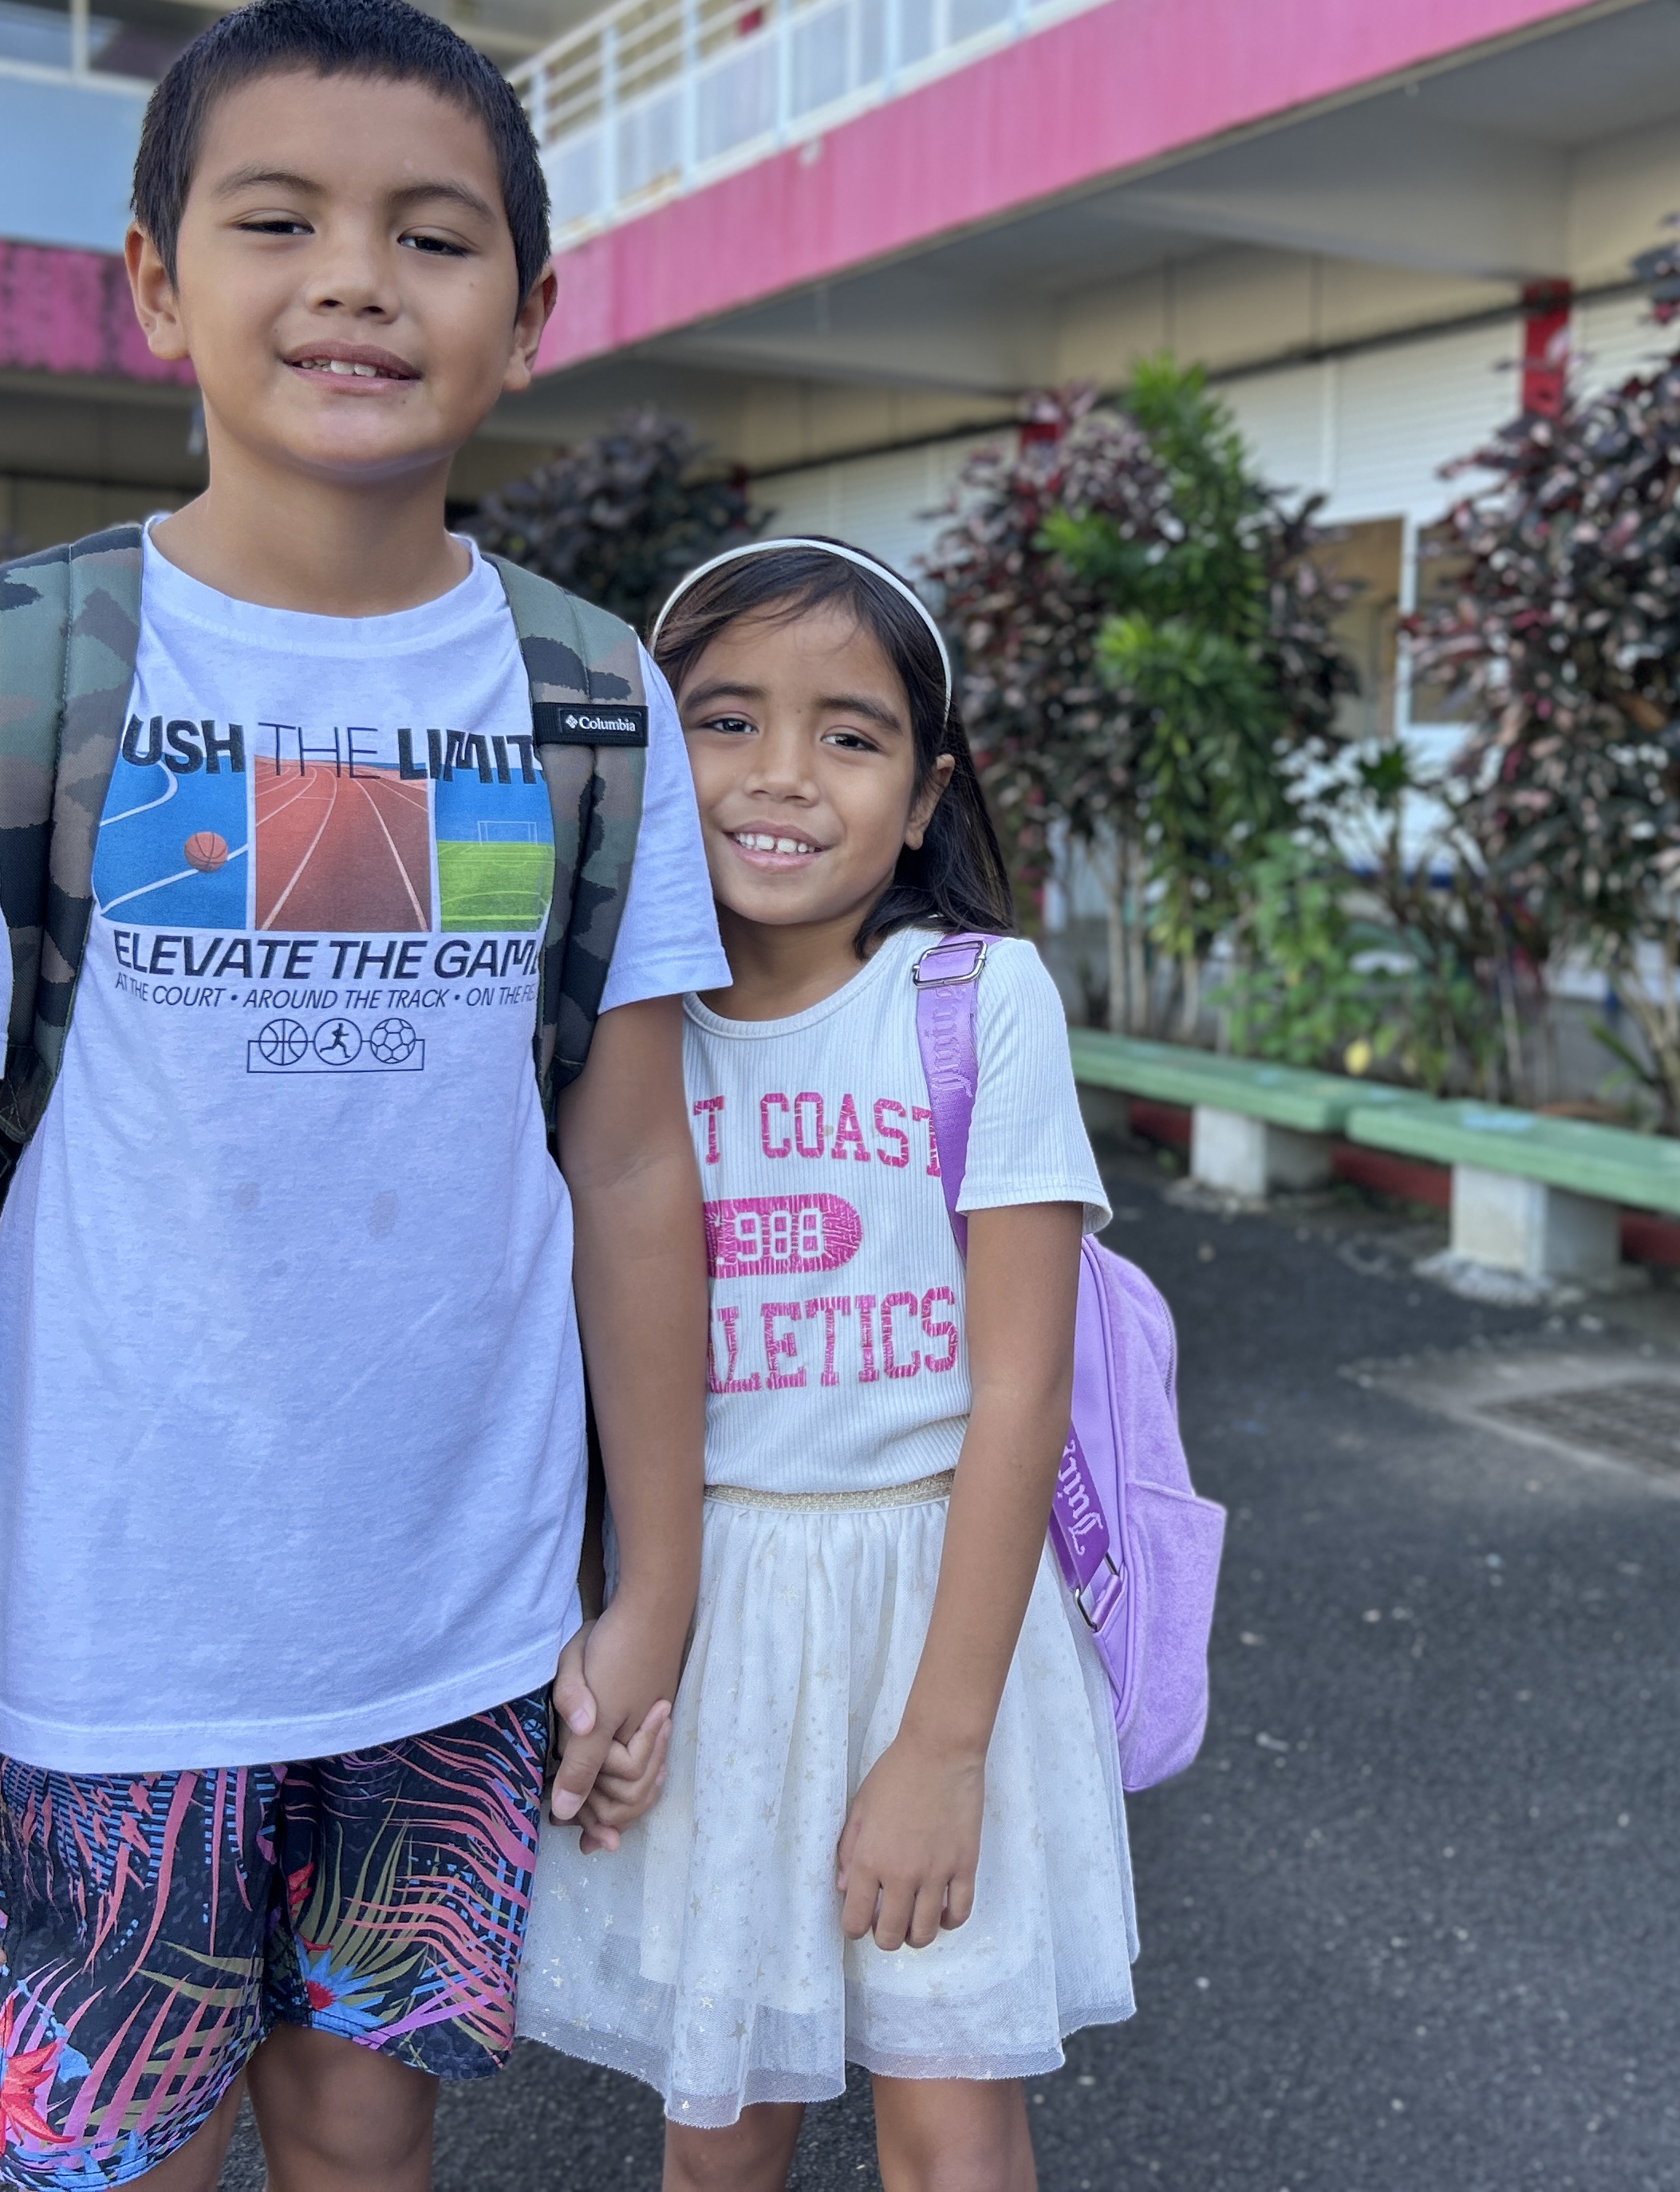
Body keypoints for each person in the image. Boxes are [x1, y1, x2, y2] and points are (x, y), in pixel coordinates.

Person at [0, 0, 728, 2192]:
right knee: (120, 2162)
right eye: (276, 217)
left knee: (366, 2139)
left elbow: (634, 1162)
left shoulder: (587, 699)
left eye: (434, 235)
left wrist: (651, 1582)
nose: (356, 281)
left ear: (533, 307)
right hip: (107, 1648)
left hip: (454, 1630)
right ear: (153, 281)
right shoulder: (23, 672)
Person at [515, 539, 1137, 2192]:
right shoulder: (602, 1040)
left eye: (849, 736)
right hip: (710, 1618)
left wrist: (940, 1747)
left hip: (940, 1617)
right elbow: (565, 1375)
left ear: (926, 797)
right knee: (724, 2116)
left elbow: (1023, 1390)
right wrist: (617, 1634)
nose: (782, 777)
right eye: (723, 722)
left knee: (948, 2114)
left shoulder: (976, 1001)